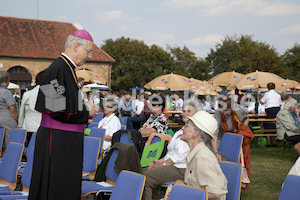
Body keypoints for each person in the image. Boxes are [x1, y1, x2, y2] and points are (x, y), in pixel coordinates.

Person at [29, 30, 96, 200]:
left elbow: (63, 104)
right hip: (58, 140)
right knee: (57, 189)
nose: (89, 55)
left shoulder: (65, 68)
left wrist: (82, 107)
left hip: (62, 139)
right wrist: (87, 112)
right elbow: (57, 110)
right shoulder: (58, 68)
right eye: (88, 51)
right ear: (75, 46)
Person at [142, 99, 201, 200]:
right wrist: (159, 161)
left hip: (181, 168)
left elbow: (181, 157)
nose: (185, 113)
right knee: (139, 172)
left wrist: (163, 164)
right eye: (184, 111)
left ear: (196, 114)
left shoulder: (195, 131)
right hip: (171, 164)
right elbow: (171, 152)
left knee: (144, 179)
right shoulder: (180, 131)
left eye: (189, 111)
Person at [166, 110, 228, 200]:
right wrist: (182, 184)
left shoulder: (203, 157)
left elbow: (215, 195)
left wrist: (182, 189)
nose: (182, 128)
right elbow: (196, 186)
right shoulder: (195, 153)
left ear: (196, 133)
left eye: (186, 125)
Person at [213, 97, 253, 190]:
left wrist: (242, 132)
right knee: (218, 158)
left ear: (231, 108)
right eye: (222, 110)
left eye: (226, 110)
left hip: (237, 134)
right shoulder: (218, 113)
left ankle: (237, 181)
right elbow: (215, 134)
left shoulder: (239, 109)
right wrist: (215, 152)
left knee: (237, 159)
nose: (224, 113)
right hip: (222, 136)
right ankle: (219, 181)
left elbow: (246, 118)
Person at [18, 71, 45, 146]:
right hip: (43, 127)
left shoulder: (27, 94)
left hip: (28, 127)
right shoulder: (50, 94)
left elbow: (22, 112)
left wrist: (20, 126)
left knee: (30, 148)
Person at [0, 70, 18, 151]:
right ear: (8, 79)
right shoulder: (6, 92)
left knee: (1, 145)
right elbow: (12, 111)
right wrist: (18, 121)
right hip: (8, 121)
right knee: (9, 145)